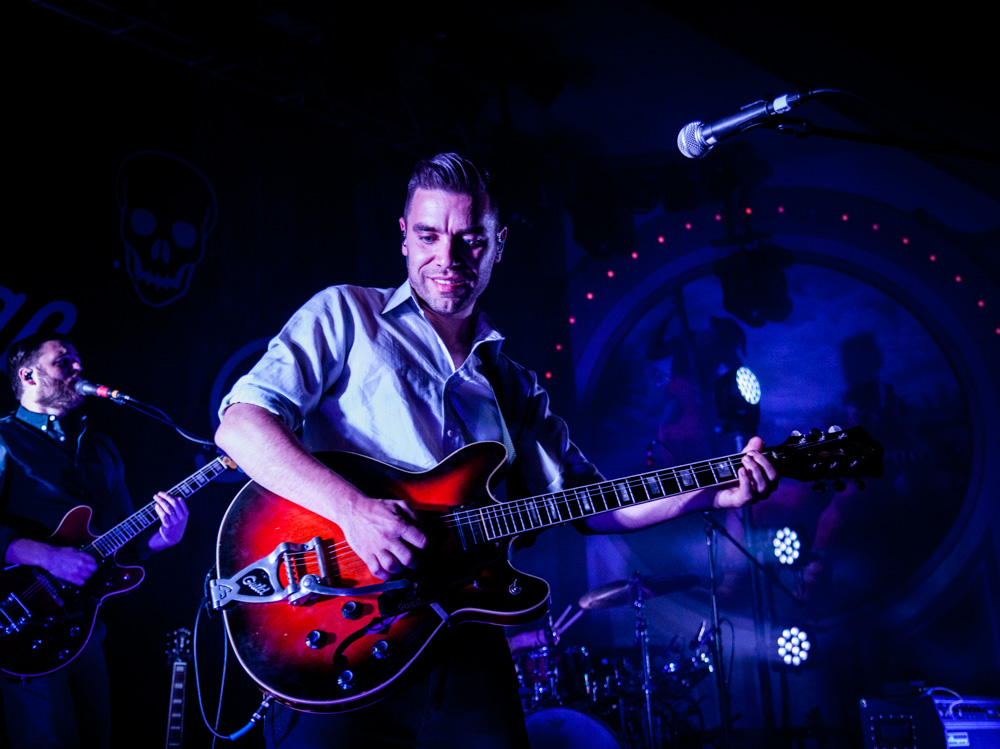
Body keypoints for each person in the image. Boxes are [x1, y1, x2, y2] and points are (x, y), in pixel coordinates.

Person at [214, 153, 778, 747]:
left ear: (499, 244)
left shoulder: (512, 383)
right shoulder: (347, 315)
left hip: (467, 644)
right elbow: (241, 426)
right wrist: (354, 511)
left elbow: (593, 505)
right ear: (404, 236)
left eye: (471, 240)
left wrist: (711, 491)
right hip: (342, 631)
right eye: (429, 235)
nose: (448, 259)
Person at [0, 334, 190, 749]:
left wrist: (162, 540)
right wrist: (47, 556)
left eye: (78, 362)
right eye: (64, 363)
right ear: (28, 375)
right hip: (19, 616)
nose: (79, 370)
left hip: (84, 627)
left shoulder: (101, 448)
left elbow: (123, 545)